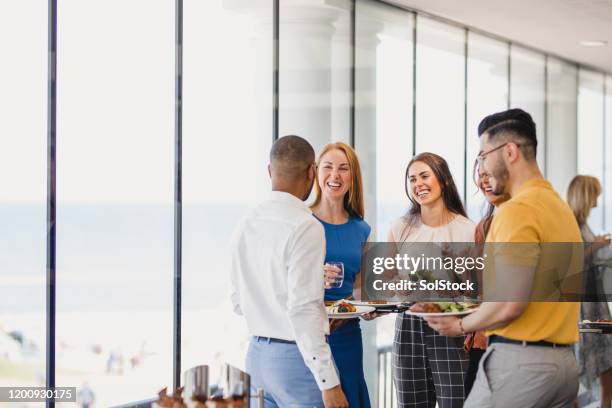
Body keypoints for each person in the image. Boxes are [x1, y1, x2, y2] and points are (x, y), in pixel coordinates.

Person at [424, 108, 582, 408]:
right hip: (563, 364)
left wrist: (459, 326)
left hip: (521, 365)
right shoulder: (558, 207)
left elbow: (510, 304)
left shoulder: (517, 210)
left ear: (509, 151)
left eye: (484, 154)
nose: (482, 164)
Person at [229, 135, 348, 408]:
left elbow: (237, 301)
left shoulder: (245, 222)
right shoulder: (306, 226)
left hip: (256, 358)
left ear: (270, 171)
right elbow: (303, 308)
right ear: (311, 171)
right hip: (297, 360)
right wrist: (329, 382)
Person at [390, 152, 475, 408]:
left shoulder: (467, 230)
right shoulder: (400, 227)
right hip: (408, 326)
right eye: (412, 179)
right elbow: (385, 279)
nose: (418, 184)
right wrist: (398, 287)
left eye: (424, 176)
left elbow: (476, 292)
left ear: (444, 180)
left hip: (450, 326)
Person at [310, 142, 372, 407]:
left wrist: (369, 306)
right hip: (311, 336)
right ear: (316, 172)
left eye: (343, 169)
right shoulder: (303, 222)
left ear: (352, 177)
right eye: (328, 167)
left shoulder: (362, 228)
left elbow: (360, 289)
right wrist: (313, 276)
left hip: (347, 336)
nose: (335, 176)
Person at [463, 164, 510, 396]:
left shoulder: (524, 222)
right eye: (480, 176)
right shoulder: (483, 227)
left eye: (489, 174)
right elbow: (475, 288)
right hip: (482, 339)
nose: (484, 181)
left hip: (514, 343)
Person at [567, 175, 612, 407]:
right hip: (584, 303)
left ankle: (605, 403)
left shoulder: (582, 224)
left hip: (594, 299)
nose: (597, 200)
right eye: (595, 194)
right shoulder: (570, 224)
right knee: (585, 355)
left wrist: (597, 245)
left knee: (606, 353)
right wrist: (595, 246)